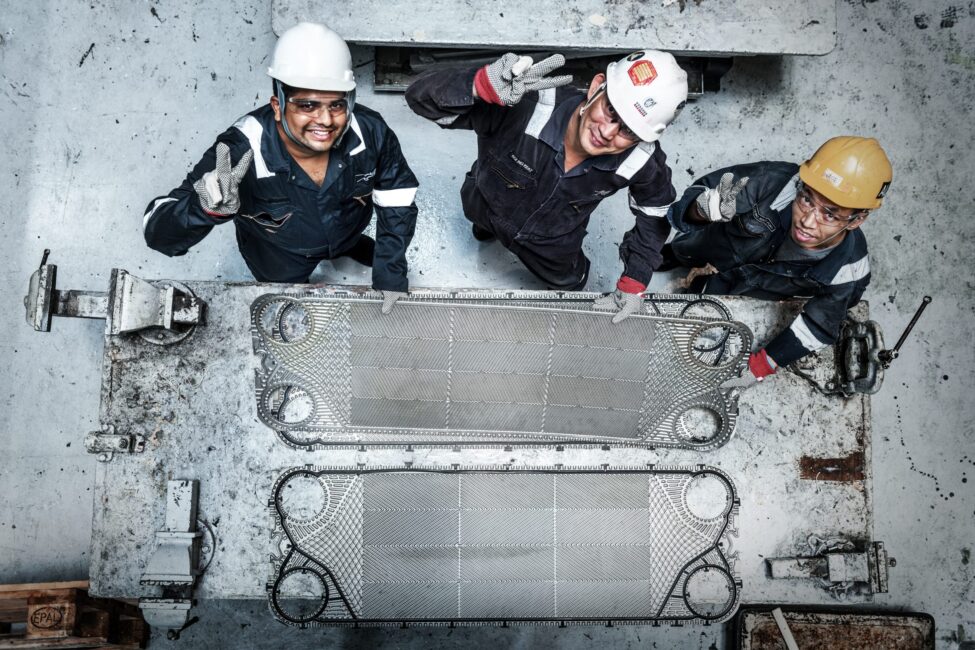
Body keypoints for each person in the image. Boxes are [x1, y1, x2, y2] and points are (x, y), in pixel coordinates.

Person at [143, 22, 418, 313]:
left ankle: (347, 247)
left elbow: (396, 200)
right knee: (289, 300)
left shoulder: (370, 131)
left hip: (347, 231)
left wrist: (390, 272)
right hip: (280, 255)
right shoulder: (239, 150)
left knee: (354, 243)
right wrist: (203, 208)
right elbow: (157, 232)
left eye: (336, 105)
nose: (325, 120)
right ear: (278, 105)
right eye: (308, 106)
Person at [406, 50, 687, 316]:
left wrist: (634, 279)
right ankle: (483, 232)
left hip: (553, 244)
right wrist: (478, 85)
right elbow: (420, 99)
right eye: (611, 111)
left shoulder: (641, 158)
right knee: (482, 227)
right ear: (596, 87)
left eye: (628, 130)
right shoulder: (525, 104)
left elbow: (656, 212)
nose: (607, 131)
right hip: (484, 204)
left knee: (571, 282)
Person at [663, 136, 893, 382]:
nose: (807, 221)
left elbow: (818, 326)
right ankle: (674, 255)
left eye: (829, 214)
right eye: (806, 200)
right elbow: (695, 198)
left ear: (857, 220)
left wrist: (759, 367)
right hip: (708, 249)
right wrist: (699, 211)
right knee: (678, 253)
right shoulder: (769, 181)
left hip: (747, 296)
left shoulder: (850, 271)